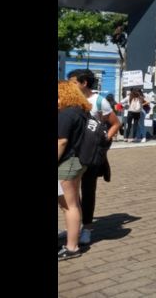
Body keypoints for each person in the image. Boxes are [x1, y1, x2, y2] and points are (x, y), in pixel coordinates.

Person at [67, 69, 121, 247]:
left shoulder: (99, 101)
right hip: (72, 152)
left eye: (73, 82)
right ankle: (74, 227)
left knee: (88, 190)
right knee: (71, 192)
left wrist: (103, 141)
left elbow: (115, 124)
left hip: (90, 153)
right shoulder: (70, 100)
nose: (70, 85)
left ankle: (87, 228)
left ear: (84, 83)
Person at [58, 81, 91, 260]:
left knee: (68, 206)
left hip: (66, 163)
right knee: (74, 204)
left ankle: (71, 247)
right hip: (78, 161)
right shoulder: (81, 111)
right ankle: (72, 240)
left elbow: (61, 142)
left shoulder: (66, 114)